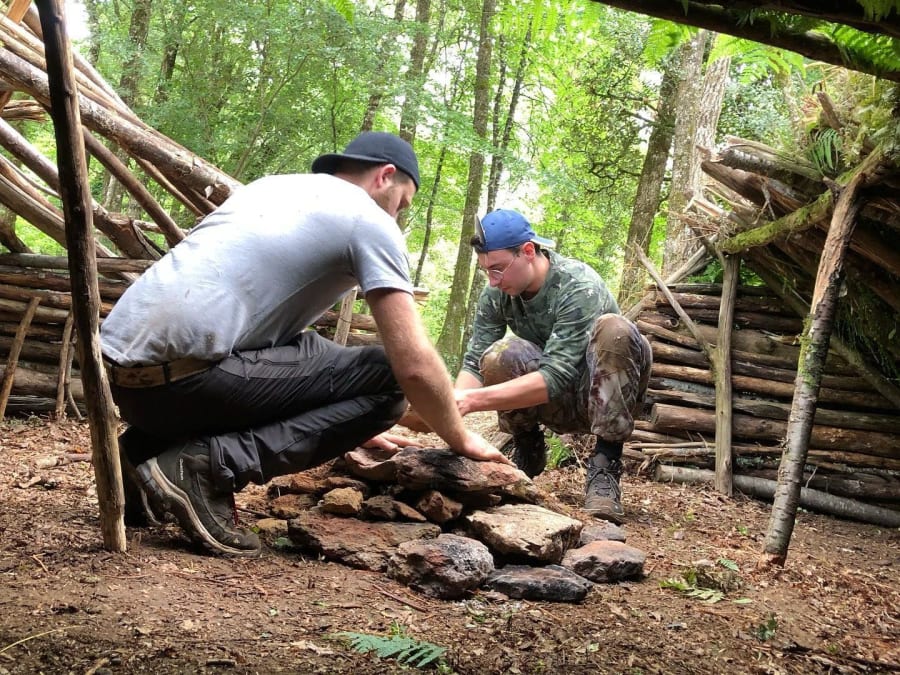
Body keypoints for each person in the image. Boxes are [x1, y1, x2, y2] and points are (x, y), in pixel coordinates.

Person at [100, 131, 509, 557]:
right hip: (187, 384)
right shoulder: (368, 220)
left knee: (311, 348)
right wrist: (459, 437)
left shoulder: (267, 189)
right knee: (390, 381)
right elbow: (413, 365)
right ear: (384, 177)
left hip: (125, 383)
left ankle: (138, 455)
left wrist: (339, 422)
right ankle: (204, 468)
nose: (398, 216)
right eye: (402, 203)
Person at [454, 209, 652, 523]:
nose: (492, 280)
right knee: (499, 354)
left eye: (499, 269)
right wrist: (449, 407)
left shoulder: (578, 285)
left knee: (617, 329)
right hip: (550, 399)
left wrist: (470, 402)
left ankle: (605, 465)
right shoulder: (496, 294)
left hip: (597, 397)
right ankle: (527, 448)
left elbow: (556, 376)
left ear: (528, 252)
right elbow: (473, 364)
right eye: (486, 271)